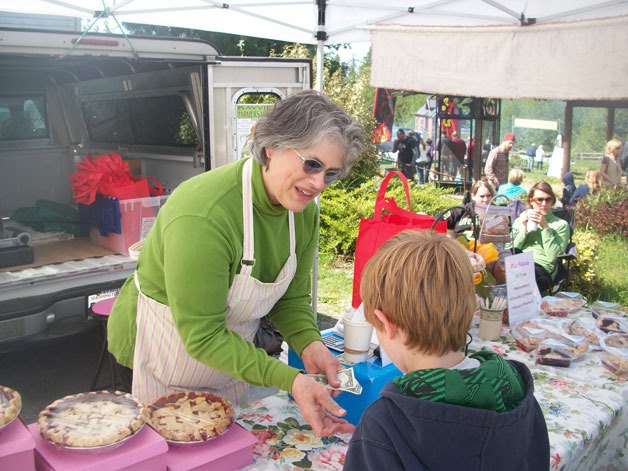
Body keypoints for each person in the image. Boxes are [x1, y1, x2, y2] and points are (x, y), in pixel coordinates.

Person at [107, 90, 364, 437]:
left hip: (230, 359)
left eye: (330, 174)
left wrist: (310, 344)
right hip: (164, 350)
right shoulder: (204, 213)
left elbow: (290, 299)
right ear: (270, 147)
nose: (319, 184)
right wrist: (290, 379)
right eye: (312, 164)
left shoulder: (304, 215)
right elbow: (202, 336)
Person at [344, 230, 550, 470]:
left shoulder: (386, 424)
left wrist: (371, 439)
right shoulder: (517, 392)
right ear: (472, 308)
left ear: (386, 324)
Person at [512, 181, 570, 294]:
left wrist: (545, 227)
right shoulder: (521, 220)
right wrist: (523, 228)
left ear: (552, 201)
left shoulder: (560, 224)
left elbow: (553, 258)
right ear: (531, 201)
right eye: (539, 200)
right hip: (518, 262)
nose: (544, 204)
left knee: (525, 275)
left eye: (548, 199)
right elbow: (511, 249)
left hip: (541, 267)